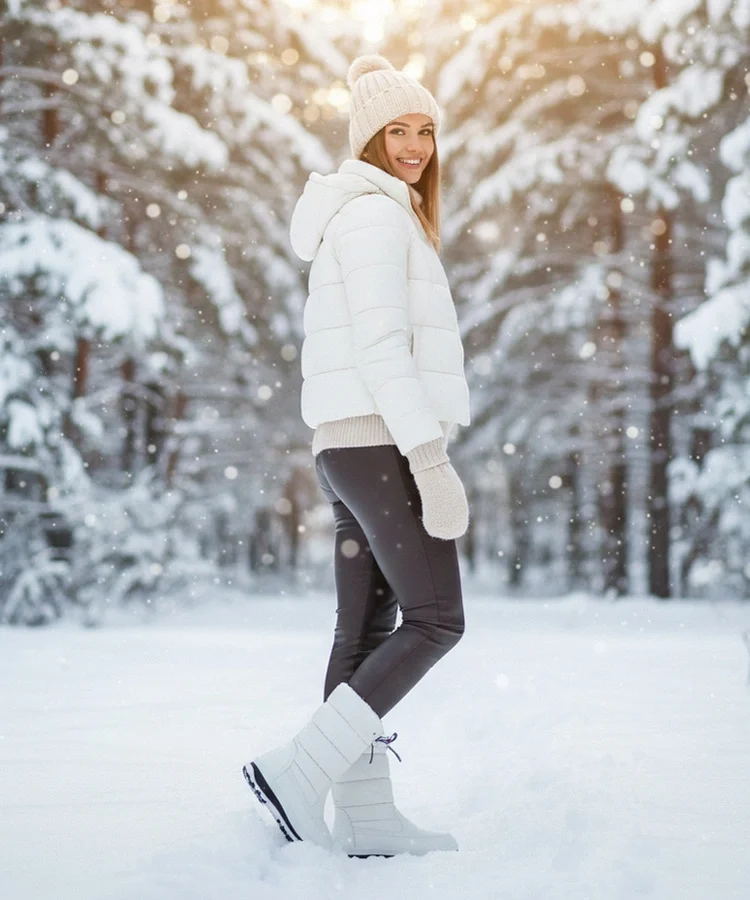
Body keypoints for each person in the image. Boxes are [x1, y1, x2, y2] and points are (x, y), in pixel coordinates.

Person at [243, 54, 471, 858]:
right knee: (437, 619)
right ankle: (300, 771)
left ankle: (366, 816)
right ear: (367, 139)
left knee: (365, 629)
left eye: (425, 130)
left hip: (349, 447)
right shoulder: (376, 217)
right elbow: (382, 349)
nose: (415, 146)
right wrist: (428, 455)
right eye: (397, 131)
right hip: (382, 442)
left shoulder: (371, 213)